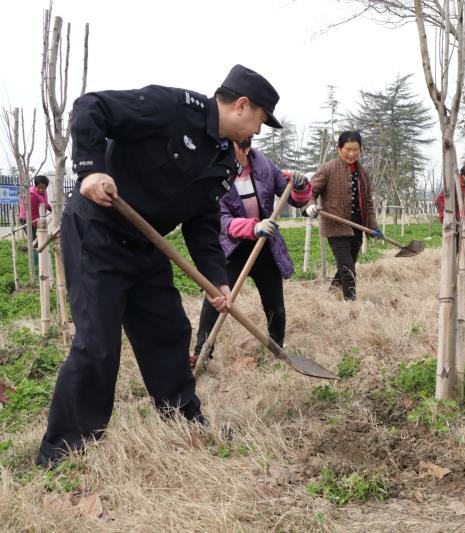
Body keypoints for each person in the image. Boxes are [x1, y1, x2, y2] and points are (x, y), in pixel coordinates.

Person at [36, 64, 284, 467]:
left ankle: (183, 421)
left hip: (147, 245)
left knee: (169, 331)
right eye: (259, 121)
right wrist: (90, 169)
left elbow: (202, 224)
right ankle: (65, 449)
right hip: (98, 234)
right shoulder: (173, 108)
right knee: (97, 344)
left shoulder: (223, 161)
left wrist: (216, 280)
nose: (257, 132)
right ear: (242, 105)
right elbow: (90, 107)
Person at [190, 139, 312, 366]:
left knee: (275, 302)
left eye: (247, 148)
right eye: (239, 148)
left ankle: (277, 350)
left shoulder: (264, 164)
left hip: (265, 244)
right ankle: (202, 353)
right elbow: (221, 220)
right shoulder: (215, 170)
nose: (243, 153)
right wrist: (252, 226)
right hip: (233, 247)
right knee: (217, 297)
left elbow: (293, 198)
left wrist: (300, 186)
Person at [304, 131, 382, 301]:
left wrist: (373, 227)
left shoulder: (363, 173)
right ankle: (351, 305)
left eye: (356, 149)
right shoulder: (328, 169)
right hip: (336, 227)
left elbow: (368, 203)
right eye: (348, 149)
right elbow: (310, 191)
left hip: (357, 226)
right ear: (338, 148)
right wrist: (310, 205)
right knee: (348, 269)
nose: (352, 153)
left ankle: (331, 294)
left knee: (347, 264)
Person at [435, 161, 465, 265]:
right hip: (456, 224)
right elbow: (439, 201)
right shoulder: (454, 184)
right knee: (453, 251)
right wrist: (446, 217)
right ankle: (448, 272)